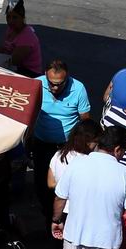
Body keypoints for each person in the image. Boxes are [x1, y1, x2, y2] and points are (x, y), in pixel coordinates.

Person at [31, 62, 93, 214]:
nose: (55, 88)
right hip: (42, 144)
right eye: (51, 84)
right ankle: (47, 211)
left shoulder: (78, 88)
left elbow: (85, 120)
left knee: (67, 182)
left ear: (67, 78)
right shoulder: (36, 85)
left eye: (59, 84)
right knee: (42, 181)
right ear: (45, 76)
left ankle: (62, 212)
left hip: (66, 146)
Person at [0, 0, 42, 75]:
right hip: (14, 66)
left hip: (29, 72)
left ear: (22, 18)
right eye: (8, 17)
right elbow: (3, 49)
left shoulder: (26, 36)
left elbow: (14, 61)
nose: (10, 21)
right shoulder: (11, 29)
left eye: (15, 17)